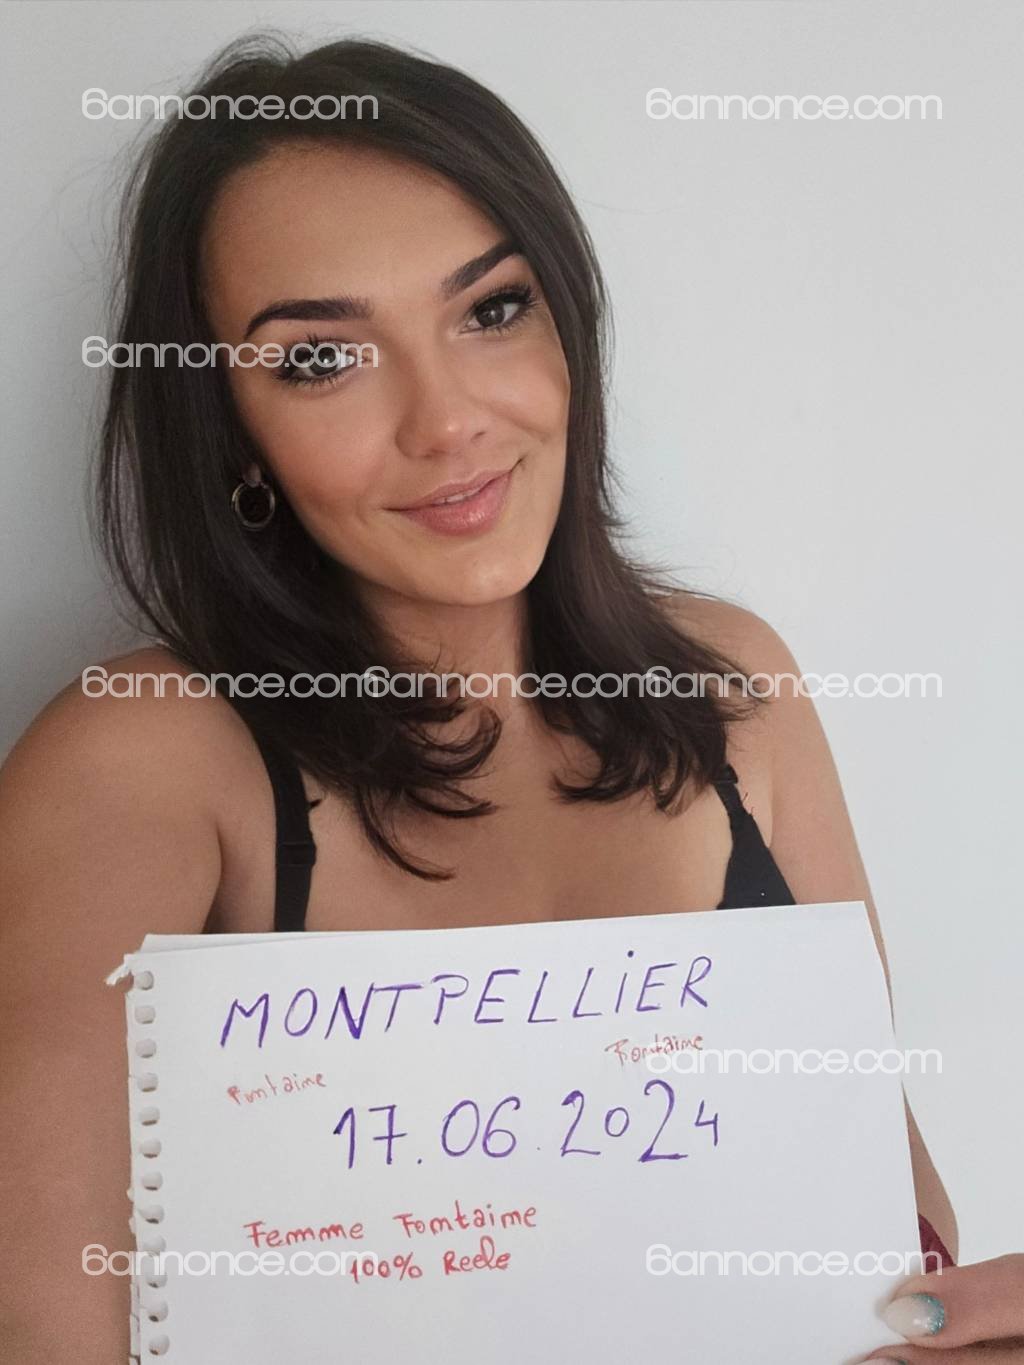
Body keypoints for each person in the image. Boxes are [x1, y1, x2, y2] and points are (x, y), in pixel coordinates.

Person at [1, 33, 1018, 1365]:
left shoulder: (737, 687)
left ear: (567, 327)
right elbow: (44, 1330)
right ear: (229, 429)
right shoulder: (139, 754)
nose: (448, 423)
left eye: (490, 309)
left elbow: (895, 1241)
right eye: (319, 359)